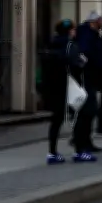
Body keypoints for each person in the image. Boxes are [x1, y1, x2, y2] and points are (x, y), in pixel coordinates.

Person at [41, 19, 88, 164]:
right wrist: (82, 62)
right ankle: (79, 151)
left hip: (53, 87)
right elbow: (76, 65)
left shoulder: (51, 44)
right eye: (73, 29)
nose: (74, 32)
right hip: (69, 86)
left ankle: (52, 152)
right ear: (70, 31)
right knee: (79, 117)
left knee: (56, 120)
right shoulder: (70, 45)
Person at [74, 12, 102, 153]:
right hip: (86, 78)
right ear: (94, 21)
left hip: (91, 77)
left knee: (89, 111)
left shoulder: (92, 34)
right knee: (87, 111)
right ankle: (81, 142)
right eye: (100, 20)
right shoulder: (87, 35)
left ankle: (85, 141)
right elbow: (84, 54)